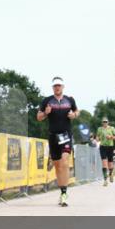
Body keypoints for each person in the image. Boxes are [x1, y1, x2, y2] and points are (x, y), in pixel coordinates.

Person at [36, 76, 78, 206]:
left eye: (59, 85)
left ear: (63, 87)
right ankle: (62, 192)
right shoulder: (47, 101)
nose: (57, 87)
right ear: (52, 87)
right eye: (55, 86)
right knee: (58, 166)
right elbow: (38, 117)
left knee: (65, 162)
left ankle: (64, 194)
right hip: (53, 136)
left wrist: (74, 115)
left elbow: (77, 111)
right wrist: (46, 113)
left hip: (65, 135)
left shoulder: (69, 100)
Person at [97, 117, 115, 186]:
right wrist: (97, 138)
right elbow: (97, 137)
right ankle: (105, 180)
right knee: (104, 164)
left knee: (110, 164)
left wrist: (111, 137)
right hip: (102, 147)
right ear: (102, 123)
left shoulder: (112, 128)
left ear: (108, 122)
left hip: (110, 147)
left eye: (106, 122)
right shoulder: (99, 129)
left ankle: (111, 174)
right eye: (103, 122)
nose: (105, 123)